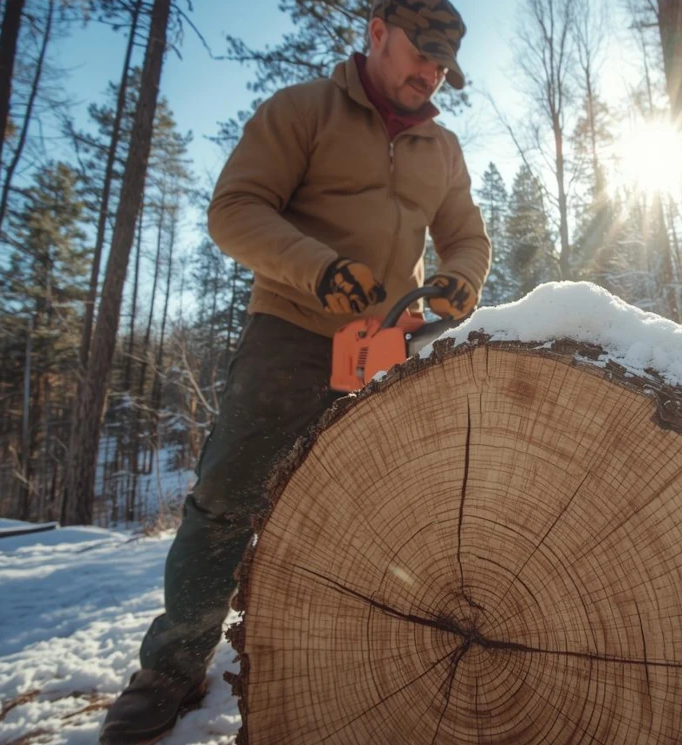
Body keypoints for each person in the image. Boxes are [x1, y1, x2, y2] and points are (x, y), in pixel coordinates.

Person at [99, 1, 490, 742]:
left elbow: (468, 238)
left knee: (383, 510)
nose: (431, 73)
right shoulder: (304, 109)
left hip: (385, 348)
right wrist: (318, 268)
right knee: (227, 501)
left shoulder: (442, 146)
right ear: (377, 33)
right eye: (421, 53)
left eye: (443, 65)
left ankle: (366, 654)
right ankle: (171, 670)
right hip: (290, 333)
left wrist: (460, 279)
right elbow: (234, 209)